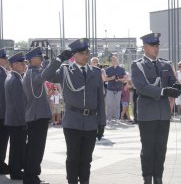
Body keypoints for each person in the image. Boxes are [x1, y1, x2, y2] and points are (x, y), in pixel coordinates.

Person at [42, 38, 106, 184]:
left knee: (86, 159)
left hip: (90, 123)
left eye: (87, 52)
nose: (86, 55)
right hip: (72, 122)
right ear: (74, 56)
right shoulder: (65, 70)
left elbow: (100, 100)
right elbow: (45, 76)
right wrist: (58, 59)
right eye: (82, 53)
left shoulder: (95, 72)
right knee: (72, 158)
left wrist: (102, 123)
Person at [131, 32, 181, 184]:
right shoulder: (138, 65)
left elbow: (172, 81)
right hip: (147, 114)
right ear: (145, 47)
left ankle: (158, 178)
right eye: (153, 45)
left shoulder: (165, 65)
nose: (156, 48)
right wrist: (163, 91)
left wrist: (177, 85)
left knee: (161, 148)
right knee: (148, 149)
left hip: (163, 114)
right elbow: (142, 87)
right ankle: (147, 179)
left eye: (157, 45)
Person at [22, 47, 52, 184]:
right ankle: (31, 176)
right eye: (40, 58)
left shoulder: (32, 72)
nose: (41, 60)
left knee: (34, 147)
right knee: (36, 148)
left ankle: (31, 174)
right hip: (37, 116)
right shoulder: (32, 73)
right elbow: (43, 76)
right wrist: (57, 61)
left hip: (37, 115)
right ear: (33, 59)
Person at [4, 52, 27, 180]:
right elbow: (20, 105)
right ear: (15, 65)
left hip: (13, 119)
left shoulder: (13, 77)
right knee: (17, 147)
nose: (24, 65)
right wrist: (25, 121)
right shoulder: (16, 79)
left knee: (16, 146)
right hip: (17, 121)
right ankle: (16, 171)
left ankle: (15, 170)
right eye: (22, 63)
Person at [104, 56, 126, 122]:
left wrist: (119, 79)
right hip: (110, 88)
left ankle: (117, 118)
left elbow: (125, 79)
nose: (114, 61)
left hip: (118, 89)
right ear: (111, 61)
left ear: (117, 60)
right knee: (109, 104)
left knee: (117, 104)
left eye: (115, 60)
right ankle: (108, 118)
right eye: (112, 60)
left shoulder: (122, 69)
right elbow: (105, 79)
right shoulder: (108, 69)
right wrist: (112, 78)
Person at [0, 48, 9, 175]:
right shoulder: (1, 73)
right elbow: (3, 96)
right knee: (2, 141)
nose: (7, 60)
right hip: (2, 114)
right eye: (5, 58)